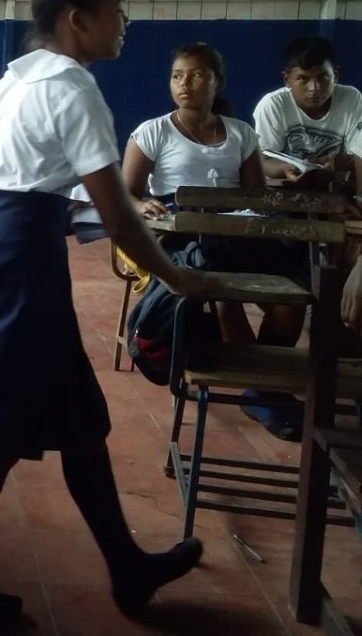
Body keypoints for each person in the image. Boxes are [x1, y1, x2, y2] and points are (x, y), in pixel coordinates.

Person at [0, 0, 220, 626]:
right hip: (21, 275)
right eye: (119, 7)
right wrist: (176, 276)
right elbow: (119, 215)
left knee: (80, 424)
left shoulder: (4, 88)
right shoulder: (74, 89)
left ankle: (128, 568)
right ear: (79, 20)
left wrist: (51, 210)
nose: (126, 21)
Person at [123, 44, 306, 438]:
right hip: (182, 237)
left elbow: (256, 199)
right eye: (177, 75)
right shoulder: (153, 131)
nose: (185, 83)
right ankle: (262, 392)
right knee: (221, 285)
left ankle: (263, 377)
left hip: (235, 232)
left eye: (196, 74)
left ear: (217, 82)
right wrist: (143, 205)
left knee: (295, 289)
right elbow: (127, 195)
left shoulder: (241, 133)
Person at [253, 35, 362, 182]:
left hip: (336, 185)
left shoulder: (351, 99)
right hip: (287, 186)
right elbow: (263, 161)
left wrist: (337, 163)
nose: (315, 88)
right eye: (303, 78)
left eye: (323, 77)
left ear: (335, 76)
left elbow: (359, 155)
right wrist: (284, 168)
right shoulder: (273, 105)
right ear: (287, 80)